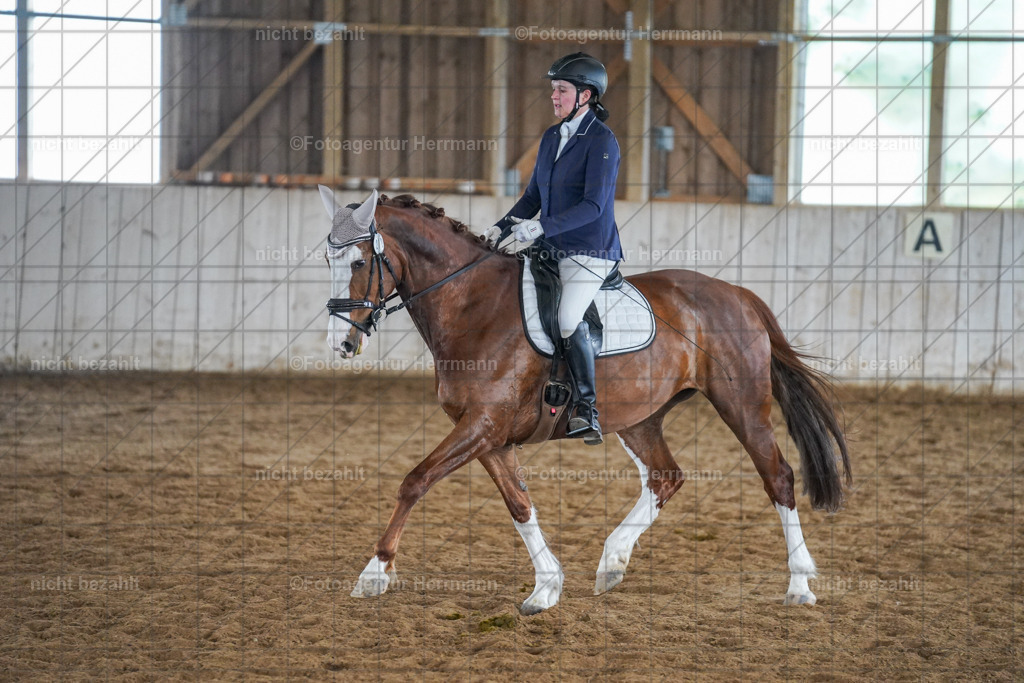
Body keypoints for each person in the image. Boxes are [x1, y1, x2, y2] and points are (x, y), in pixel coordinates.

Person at [489, 52, 623, 446]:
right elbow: (532, 195)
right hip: (549, 246)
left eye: (561, 90)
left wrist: (541, 225)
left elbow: (594, 206)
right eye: (553, 90)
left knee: (567, 318)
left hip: (589, 251)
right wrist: (498, 229)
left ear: (585, 95)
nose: (554, 97)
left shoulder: (602, 142)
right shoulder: (551, 137)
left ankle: (586, 408)